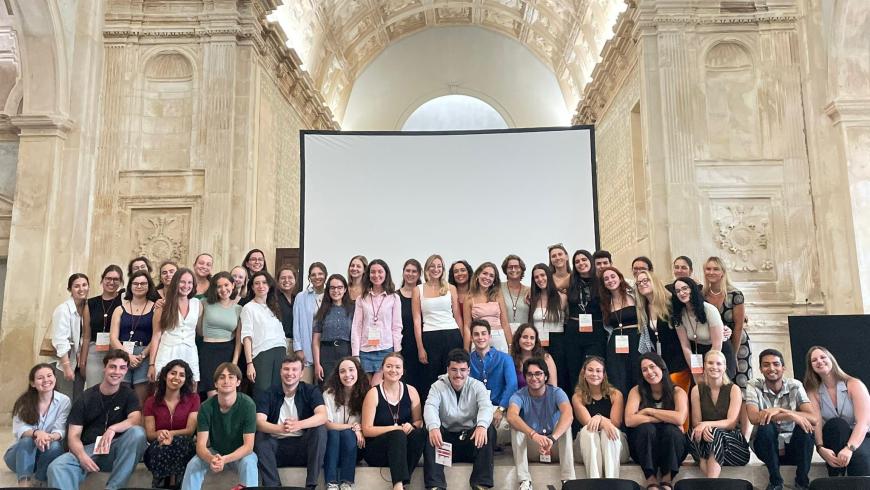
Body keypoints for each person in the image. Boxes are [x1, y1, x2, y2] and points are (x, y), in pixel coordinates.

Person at [47, 349, 147, 490]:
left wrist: (113, 429)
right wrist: (82, 456)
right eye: (112, 367)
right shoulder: (85, 397)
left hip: (115, 449)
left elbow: (135, 420)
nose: (117, 372)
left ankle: (112, 488)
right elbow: (73, 436)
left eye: (122, 368)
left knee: (137, 433)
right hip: (89, 449)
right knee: (57, 466)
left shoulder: (129, 395)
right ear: (104, 368)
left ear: (126, 370)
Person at [745, 348, 817, 490]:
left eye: (776, 364)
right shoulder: (753, 385)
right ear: (760, 369)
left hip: (794, 449)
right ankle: (776, 482)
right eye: (766, 365)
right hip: (766, 448)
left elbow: (813, 418)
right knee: (766, 425)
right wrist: (791, 415)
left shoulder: (795, 385)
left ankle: (802, 482)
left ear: (783, 368)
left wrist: (782, 411)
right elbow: (753, 417)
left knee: (805, 428)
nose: (771, 368)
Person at [423, 348, 496, 490]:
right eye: (454, 370)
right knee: (429, 431)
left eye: (462, 370)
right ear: (447, 370)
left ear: (468, 370)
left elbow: (486, 407)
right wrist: (433, 427)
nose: (458, 374)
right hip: (445, 445)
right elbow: (430, 407)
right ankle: (435, 485)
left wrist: (481, 425)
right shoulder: (437, 387)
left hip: (471, 442)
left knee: (488, 429)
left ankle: (481, 484)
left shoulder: (477, 386)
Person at [254, 353, 327, 489]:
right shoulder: (269, 393)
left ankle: (311, 486)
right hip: (276, 449)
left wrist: (298, 425)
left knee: (320, 430)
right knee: (260, 436)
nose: (290, 373)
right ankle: (273, 487)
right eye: (286, 369)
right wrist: (280, 429)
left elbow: (322, 416)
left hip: (303, 448)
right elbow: (259, 422)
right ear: (280, 371)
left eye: (294, 369)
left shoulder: (311, 390)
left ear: (301, 373)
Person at [181, 362, 258, 489]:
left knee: (249, 462)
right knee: (193, 464)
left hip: (240, 453)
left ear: (238, 382)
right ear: (216, 384)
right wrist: (211, 458)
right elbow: (201, 446)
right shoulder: (206, 407)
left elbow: (248, 446)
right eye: (222, 377)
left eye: (231, 377)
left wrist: (225, 459)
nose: (226, 381)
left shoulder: (248, 405)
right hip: (215, 452)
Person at [507, 357, 575, 490]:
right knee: (516, 426)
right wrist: (533, 435)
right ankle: (525, 481)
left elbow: (568, 415)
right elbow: (511, 416)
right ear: (525, 377)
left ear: (546, 376)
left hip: (554, 445)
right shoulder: (518, 395)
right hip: (533, 447)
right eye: (530, 374)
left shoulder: (557, 392)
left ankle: (568, 480)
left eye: (538, 374)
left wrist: (552, 438)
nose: (534, 378)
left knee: (565, 425)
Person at [361, 353, 426, 490]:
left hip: (402, 450)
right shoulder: (373, 393)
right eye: (389, 366)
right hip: (377, 450)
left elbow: (419, 421)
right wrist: (394, 429)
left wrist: (411, 426)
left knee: (420, 433)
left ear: (402, 371)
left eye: (397, 367)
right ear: (382, 369)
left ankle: (403, 482)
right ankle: (398, 486)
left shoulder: (411, 391)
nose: (393, 370)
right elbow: (366, 429)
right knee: (397, 434)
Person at [625, 352, 689, 490]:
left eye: (652, 367)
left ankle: (667, 480)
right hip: (644, 447)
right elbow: (629, 420)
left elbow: (680, 418)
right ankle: (651, 479)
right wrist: (666, 418)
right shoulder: (636, 391)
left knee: (672, 431)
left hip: (672, 447)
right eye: (644, 369)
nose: (649, 372)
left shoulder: (677, 391)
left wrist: (649, 411)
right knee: (646, 428)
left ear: (662, 367)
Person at [804, 346, 869, 477]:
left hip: (861, 436)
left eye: (823, 357)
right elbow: (816, 423)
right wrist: (820, 448)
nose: (819, 361)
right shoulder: (813, 392)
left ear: (831, 360)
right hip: (835, 437)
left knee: (860, 457)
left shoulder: (854, 384)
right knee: (836, 424)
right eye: (814, 360)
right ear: (811, 367)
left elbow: (864, 422)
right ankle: (836, 477)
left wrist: (849, 448)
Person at [5, 363, 70, 487]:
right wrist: (37, 433)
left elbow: (60, 429)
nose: (46, 380)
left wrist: (48, 437)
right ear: (33, 383)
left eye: (49, 376)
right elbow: (19, 429)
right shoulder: (24, 402)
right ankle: (24, 483)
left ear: (55, 378)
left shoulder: (64, 401)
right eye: (40, 378)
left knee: (55, 446)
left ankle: (40, 481)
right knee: (27, 440)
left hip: (45, 454)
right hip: (18, 456)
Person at [688, 350, 749, 478]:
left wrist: (707, 425)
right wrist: (704, 427)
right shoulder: (696, 390)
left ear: (724, 367)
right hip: (706, 440)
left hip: (732, 447)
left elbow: (731, 423)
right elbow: (696, 422)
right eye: (710, 363)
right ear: (705, 365)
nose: (714, 367)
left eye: (718, 364)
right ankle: (708, 469)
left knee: (715, 433)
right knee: (691, 433)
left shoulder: (734, 389)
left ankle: (711, 481)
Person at [635, 270, 692, 409]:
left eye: (646, 280)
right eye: (639, 283)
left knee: (679, 400)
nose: (642, 284)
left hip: (678, 360)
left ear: (654, 281)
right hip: (660, 363)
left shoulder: (671, 302)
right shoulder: (643, 309)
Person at [143, 360, 200, 489]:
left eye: (181, 375)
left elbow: (190, 430)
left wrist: (169, 434)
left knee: (180, 443)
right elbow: (150, 435)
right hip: (159, 445)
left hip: (184, 444)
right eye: (173, 373)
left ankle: (179, 483)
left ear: (185, 379)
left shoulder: (193, 398)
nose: (176, 377)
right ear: (165, 376)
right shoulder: (151, 402)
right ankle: (161, 483)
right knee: (161, 447)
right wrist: (160, 435)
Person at [414, 254, 463, 399]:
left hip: (452, 335)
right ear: (426, 269)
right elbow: (417, 320)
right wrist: (420, 347)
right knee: (431, 378)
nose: (436, 269)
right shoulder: (418, 290)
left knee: (453, 375)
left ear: (443, 269)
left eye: (439, 266)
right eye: (432, 266)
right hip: (430, 337)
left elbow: (457, 316)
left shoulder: (451, 288)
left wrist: (463, 341)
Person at [572, 356, 629, 478]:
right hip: (586, 448)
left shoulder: (615, 394)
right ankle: (594, 481)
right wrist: (602, 420)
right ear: (584, 373)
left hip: (614, 447)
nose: (594, 374)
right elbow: (588, 423)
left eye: (598, 371)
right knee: (588, 431)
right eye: (590, 370)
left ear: (603, 375)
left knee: (608, 431)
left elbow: (616, 423)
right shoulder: (578, 397)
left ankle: (611, 481)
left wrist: (600, 418)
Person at [671, 276, 736, 381]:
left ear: (692, 289)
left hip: (719, 352)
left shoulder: (709, 310)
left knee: (718, 384)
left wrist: (708, 368)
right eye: (677, 291)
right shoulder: (679, 314)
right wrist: (695, 369)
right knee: (700, 385)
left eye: (685, 288)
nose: (681, 293)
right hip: (698, 352)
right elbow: (685, 346)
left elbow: (717, 344)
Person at [703, 257, 752, 390]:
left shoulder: (735, 294)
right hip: (714, 344)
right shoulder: (702, 295)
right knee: (717, 386)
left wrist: (734, 354)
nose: (711, 272)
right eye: (708, 269)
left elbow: (739, 326)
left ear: (723, 272)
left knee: (739, 384)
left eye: (715, 269)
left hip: (737, 342)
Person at [351, 259, 402, 385]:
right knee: (365, 389)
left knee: (376, 387)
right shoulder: (361, 298)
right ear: (368, 275)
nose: (376, 275)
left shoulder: (394, 298)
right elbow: (357, 326)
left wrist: (396, 352)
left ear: (386, 274)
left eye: (380, 272)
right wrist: (355, 354)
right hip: (364, 351)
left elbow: (396, 326)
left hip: (386, 349)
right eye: (373, 272)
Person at [322, 357, 371, 490]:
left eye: (351, 370)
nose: (347, 374)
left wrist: (356, 430)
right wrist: (354, 427)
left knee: (348, 435)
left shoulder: (367, 394)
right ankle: (331, 482)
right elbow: (327, 425)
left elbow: (368, 425)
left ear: (358, 372)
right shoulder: (329, 394)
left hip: (355, 448)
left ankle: (346, 483)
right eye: (342, 371)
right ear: (337, 375)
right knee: (333, 433)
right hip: (332, 449)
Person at [109, 270, 155, 406]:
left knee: (141, 401)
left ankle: (138, 421)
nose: (139, 286)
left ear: (149, 286)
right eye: (135, 283)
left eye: (143, 283)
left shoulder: (155, 308)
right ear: (130, 286)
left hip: (144, 356)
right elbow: (113, 338)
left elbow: (157, 336)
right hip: (122, 354)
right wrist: (128, 356)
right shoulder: (119, 309)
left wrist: (142, 355)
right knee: (120, 399)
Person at [150, 268, 202, 387]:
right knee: (163, 389)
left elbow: (199, 330)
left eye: (190, 282)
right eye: (182, 282)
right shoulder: (163, 305)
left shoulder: (197, 304)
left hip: (190, 352)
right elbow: (156, 336)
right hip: (167, 352)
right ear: (175, 283)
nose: (186, 286)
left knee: (191, 388)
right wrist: (151, 364)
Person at [563, 249, 605, 393]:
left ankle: (594, 401)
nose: (581, 263)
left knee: (594, 369)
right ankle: (577, 402)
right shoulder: (571, 281)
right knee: (574, 371)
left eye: (584, 260)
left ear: (590, 261)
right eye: (577, 261)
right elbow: (552, 285)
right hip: (574, 331)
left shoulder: (600, 281)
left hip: (596, 331)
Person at [469, 319, 518, 443]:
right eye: (476, 334)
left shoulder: (505, 359)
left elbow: (512, 385)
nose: (480, 337)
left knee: (501, 428)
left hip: (498, 407)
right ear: (471, 338)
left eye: (483, 333)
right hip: (474, 408)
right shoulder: (467, 360)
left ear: (490, 336)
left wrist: (501, 409)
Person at [599, 266, 644, 396]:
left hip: (636, 340)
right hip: (616, 344)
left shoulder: (634, 295)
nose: (610, 280)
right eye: (606, 279)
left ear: (620, 278)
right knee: (618, 378)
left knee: (637, 374)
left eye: (613, 276)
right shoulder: (605, 303)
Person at [242, 270, 288, 396]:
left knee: (279, 392)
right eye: (257, 283)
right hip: (262, 353)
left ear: (269, 285)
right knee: (262, 392)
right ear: (252, 287)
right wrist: (249, 363)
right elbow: (246, 337)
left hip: (280, 351)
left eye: (264, 282)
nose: (261, 286)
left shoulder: (274, 306)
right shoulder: (248, 308)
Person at [199, 271, 242, 398]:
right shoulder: (204, 303)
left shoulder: (238, 309)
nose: (223, 289)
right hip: (208, 351)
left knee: (227, 393)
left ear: (233, 285)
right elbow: (198, 329)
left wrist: (234, 362)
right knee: (212, 394)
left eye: (226, 285)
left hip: (228, 351)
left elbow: (238, 340)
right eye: (219, 286)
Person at [51, 273, 89, 400]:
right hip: (66, 363)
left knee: (78, 401)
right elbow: (60, 340)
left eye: (84, 285)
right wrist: (66, 367)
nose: (81, 289)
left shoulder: (87, 308)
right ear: (70, 289)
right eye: (76, 286)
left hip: (80, 364)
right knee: (65, 401)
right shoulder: (63, 309)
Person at [84, 265, 124, 388]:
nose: (111, 282)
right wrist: (82, 361)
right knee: (94, 389)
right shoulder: (91, 303)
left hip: (116, 351)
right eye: (108, 278)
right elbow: (86, 336)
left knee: (114, 389)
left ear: (121, 282)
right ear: (102, 279)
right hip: (95, 352)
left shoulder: (124, 302)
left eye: (116, 279)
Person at [313, 274, 354, 383]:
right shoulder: (322, 311)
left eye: (339, 287)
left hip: (346, 351)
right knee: (327, 386)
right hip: (327, 353)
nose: (336, 291)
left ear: (345, 289)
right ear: (328, 290)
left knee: (346, 385)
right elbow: (316, 340)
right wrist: (317, 364)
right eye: (332, 288)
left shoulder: (352, 309)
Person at [464, 262, 511, 352]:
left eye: (491, 276)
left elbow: (505, 323)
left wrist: (511, 346)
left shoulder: (498, 295)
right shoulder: (469, 298)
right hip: (479, 338)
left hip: (498, 337)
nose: (487, 277)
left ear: (494, 280)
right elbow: (467, 326)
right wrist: (466, 350)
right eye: (485, 273)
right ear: (478, 275)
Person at [294, 262, 328, 383]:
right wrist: (298, 348)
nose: (317, 277)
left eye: (320, 274)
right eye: (313, 275)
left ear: (325, 275)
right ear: (309, 277)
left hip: (325, 349)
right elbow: (296, 324)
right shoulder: (301, 297)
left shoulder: (331, 295)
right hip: (306, 348)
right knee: (305, 386)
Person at [528, 264, 566, 359]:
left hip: (558, 344)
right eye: (536, 277)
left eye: (542, 275)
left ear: (548, 276)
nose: (540, 279)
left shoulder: (562, 297)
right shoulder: (532, 299)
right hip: (538, 343)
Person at [398, 258, 425, 393]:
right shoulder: (395, 296)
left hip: (423, 344)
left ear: (419, 274)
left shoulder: (425, 295)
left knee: (423, 380)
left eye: (414, 271)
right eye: (407, 270)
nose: (410, 274)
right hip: (403, 345)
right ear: (403, 272)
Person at [510, 324, 557, 388]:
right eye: (525, 337)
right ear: (518, 339)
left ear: (536, 341)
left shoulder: (546, 358)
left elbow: (553, 387)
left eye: (532, 338)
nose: (528, 341)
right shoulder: (511, 359)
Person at [501, 254, 530, 334]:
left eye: (517, 267)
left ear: (522, 269)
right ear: (505, 270)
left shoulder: (529, 291)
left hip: (524, 334)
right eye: (510, 267)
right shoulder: (498, 289)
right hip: (503, 334)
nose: (513, 269)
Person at [276, 264, 298, 343]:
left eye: (290, 277)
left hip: (296, 343)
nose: (286, 280)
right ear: (278, 281)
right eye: (283, 278)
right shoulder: (273, 298)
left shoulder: (297, 299)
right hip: (278, 342)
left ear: (295, 280)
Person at [448, 260, 473, 326]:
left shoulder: (476, 293)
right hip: (454, 330)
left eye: (463, 270)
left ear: (469, 272)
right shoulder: (448, 295)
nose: (459, 273)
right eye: (456, 271)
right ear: (452, 275)